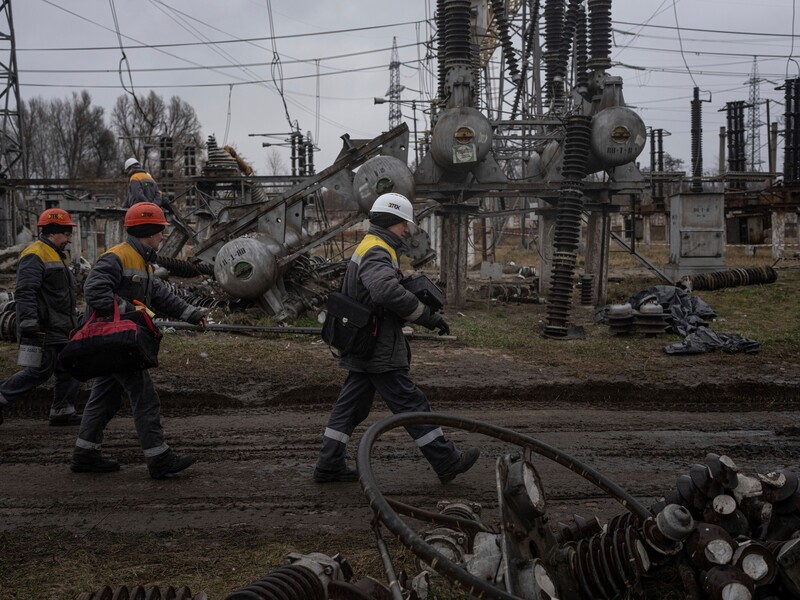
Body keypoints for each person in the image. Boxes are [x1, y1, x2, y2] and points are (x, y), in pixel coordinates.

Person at [314, 193, 480, 484]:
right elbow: (384, 291)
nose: (407, 230)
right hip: (378, 346)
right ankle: (447, 461)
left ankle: (329, 464)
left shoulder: (371, 245)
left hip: (363, 342)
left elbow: (378, 290)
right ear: (392, 222)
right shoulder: (378, 250)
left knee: (350, 407)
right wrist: (426, 316)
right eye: (404, 224)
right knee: (411, 403)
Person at [70, 202, 209, 478]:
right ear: (148, 231)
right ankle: (159, 459)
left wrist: (192, 314)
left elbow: (159, 294)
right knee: (145, 397)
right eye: (160, 231)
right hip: (115, 341)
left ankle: (85, 454)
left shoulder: (142, 260)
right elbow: (94, 290)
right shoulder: (117, 257)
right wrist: (130, 310)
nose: (162, 236)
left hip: (118, 342)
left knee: (104, 397)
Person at [0, 208, 82, 426]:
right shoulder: (35, 253)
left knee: (71, 364)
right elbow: (25, 291)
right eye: (66, 234)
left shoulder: (54, 253)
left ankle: (63, 410)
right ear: (53, 232)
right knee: (39, 371)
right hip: (42, 328)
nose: (69, 239)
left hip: (59, 327)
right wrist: (29, 325)